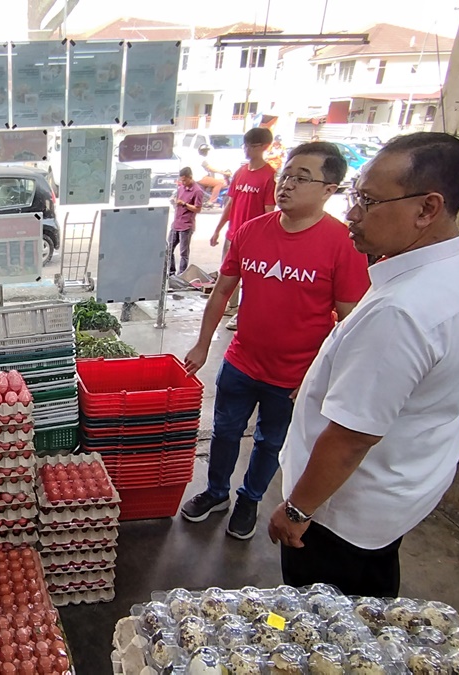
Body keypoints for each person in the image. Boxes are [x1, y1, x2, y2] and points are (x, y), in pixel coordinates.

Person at [267, 133, 459, 597]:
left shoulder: (402, 311)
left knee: (327, 620)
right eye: (356, 195)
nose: (352, 213)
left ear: (427, 208)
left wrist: (296, 510)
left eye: (369, 201)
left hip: (343, 512)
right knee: (371, 593)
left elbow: (352, 438)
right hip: (405, 485)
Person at [180, 142, 370, 541]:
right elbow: (221, 292)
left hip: (293, 375)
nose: (286, 186)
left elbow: (351, 321)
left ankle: (249, 499)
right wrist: (202, 344)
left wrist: (322, 375)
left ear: (329, 189)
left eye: (302, 178)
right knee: (225, 432)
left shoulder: (343, 244)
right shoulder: (251, 232)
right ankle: (216, 492)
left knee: (270, 441)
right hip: (241, 361)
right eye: (286, 176)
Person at [210, 127, 278, 330]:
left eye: (252, 146)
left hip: (254, 238)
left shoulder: (269, 176)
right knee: (228, 274)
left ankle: (243, 313)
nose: (247, 150)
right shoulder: (240, 172)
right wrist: (218, 229)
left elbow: (269, 210)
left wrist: (267, 239)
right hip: (233, 235)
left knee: (250, 278)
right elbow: (230, 203)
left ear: (265, 147)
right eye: (246, 145)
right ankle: (230, 307)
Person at [168, 167, 202, 276]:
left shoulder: (197, 191)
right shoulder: (181, 188)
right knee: (169, 248)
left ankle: (181, 275)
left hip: (186, 225)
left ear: (190, 177)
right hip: (176, 223)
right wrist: (174, 201)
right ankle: (171, 272)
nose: (183, 182)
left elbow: (198, 208)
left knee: (184, 253)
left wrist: (184, 204)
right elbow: (175, 200)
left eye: (185, 180)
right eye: (181, 180)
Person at [196, 145, 229, 209]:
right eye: (205, 151)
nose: (206, 152)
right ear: (201, 152)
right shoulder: (201, 159)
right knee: (219, 183)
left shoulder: (199, 158)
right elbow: (210, 169)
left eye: (206, 151)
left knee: (220, 181)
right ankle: (212, 201)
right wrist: (223, 172)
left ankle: (209, 197)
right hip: (200, 177)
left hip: (201, 177)